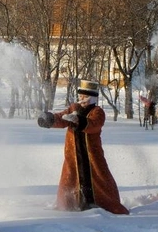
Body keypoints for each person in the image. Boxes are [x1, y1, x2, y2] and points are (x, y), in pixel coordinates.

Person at [37, 79, 129, 215]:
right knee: (70, 180)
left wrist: (79, 120)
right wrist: (50, 119)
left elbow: (94, 125)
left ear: (92, 98)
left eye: (85, 97)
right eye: (80, 96)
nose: (82, 99)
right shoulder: (74, 108)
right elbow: (62, 118)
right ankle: (71, 205)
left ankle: (102, 204)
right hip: (73, 156)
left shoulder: (98, 112)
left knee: (100, 179)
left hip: (92, 155)